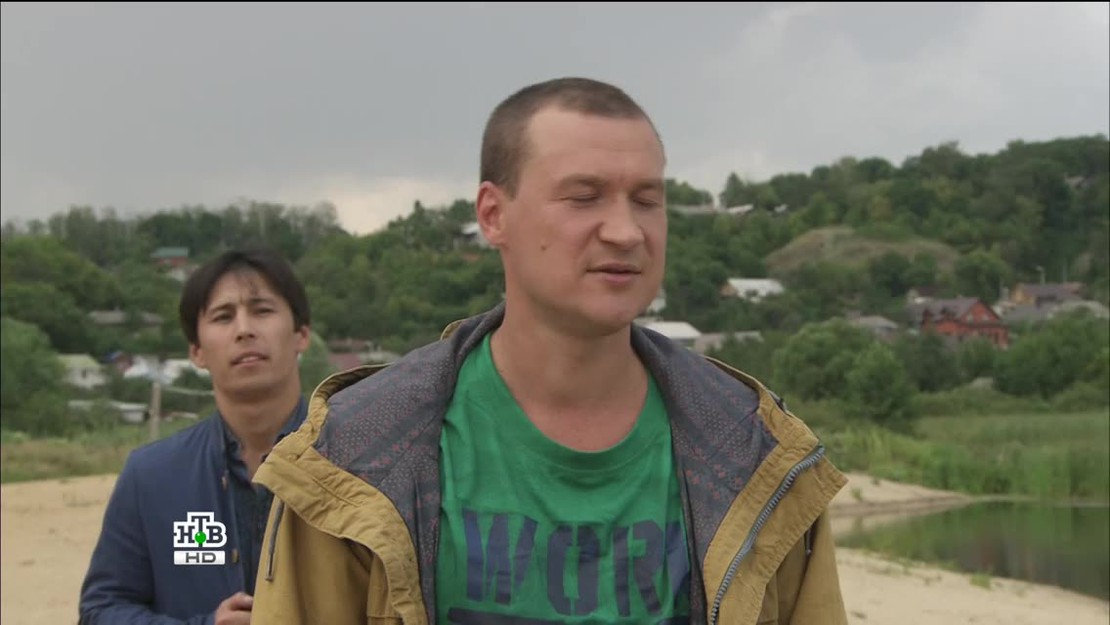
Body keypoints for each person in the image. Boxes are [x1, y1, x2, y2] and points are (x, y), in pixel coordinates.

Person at [251, 77, 849, 624]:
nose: (626, 231)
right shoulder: (353, 457)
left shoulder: (758, 454)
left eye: (646, 199)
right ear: (493, 215)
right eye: (584, 197)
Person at [79, 248, 313, 624]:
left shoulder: (356, 465)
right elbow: (100, 610)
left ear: (301, 334)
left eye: (262, 310)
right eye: (223, 316)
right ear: (197, 351)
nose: (244, 329)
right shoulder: (152, 476)